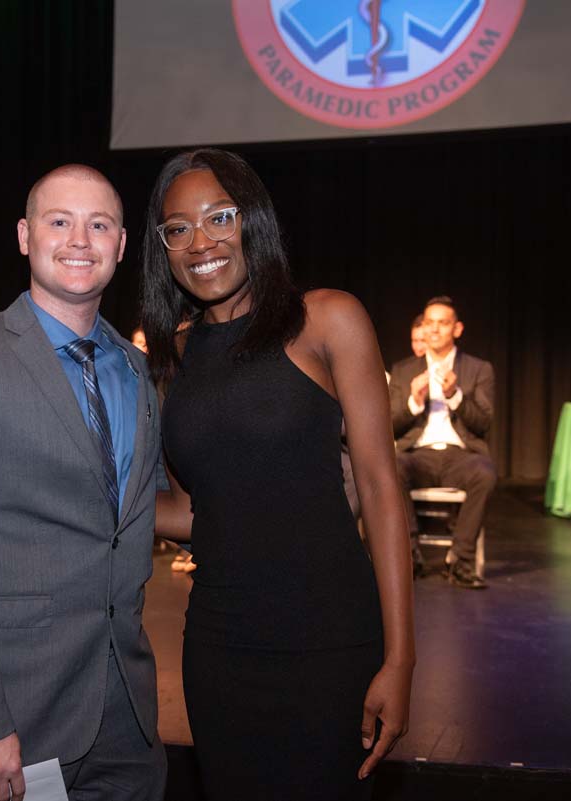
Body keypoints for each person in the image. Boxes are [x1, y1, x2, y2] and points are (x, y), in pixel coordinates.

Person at [143, 148, 414, 799]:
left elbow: (380, 489)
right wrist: (80, 495)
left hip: (330, 644)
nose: (199, 241)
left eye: (219, 217)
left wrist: (401, 657)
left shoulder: (326, 318)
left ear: (253, 220)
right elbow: (189, 512)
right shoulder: (174, 354)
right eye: (177, 228)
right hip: (218, 647)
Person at [0, 165, 166, 801]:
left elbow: (130, 517)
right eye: (59, 221)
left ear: (122, 245)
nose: (80, 239)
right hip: (10, 722)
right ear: (24, 236)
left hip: (127, 716)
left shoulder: (138, 371)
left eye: (99, 224)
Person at [389, 296, 496, 590]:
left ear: (457, 329)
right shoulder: (404, 370)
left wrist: (455, 396)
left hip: (459, 456)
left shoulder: (478, 369)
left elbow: (483, 423)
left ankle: (460, 561)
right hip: (417, 454)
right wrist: (414, 401)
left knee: (485, 473)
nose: (434, 330)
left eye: (443, 323)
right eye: (428, 323)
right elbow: (389, 425)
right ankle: (410, 556)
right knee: (392, 467)